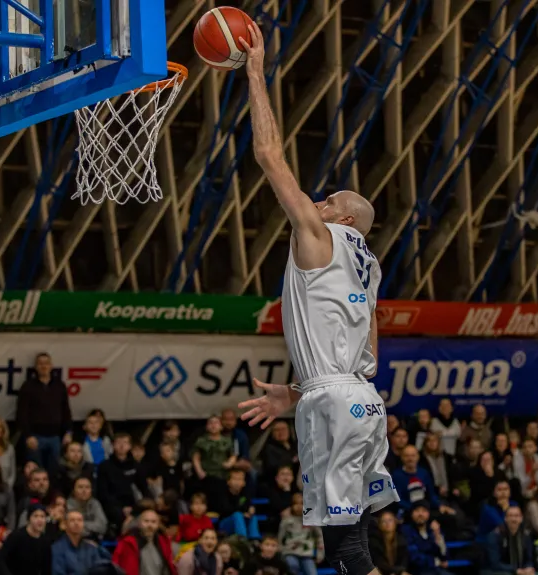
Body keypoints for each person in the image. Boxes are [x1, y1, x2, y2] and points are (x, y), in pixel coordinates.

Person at [235, 19, 395, 575]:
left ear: (345, 218)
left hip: (333, 402)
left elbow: (267, 154)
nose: (318, 201)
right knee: (356, 544)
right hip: (362, 401)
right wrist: (298, 391)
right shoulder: (369, 268)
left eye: (328, 200)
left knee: (345, 551)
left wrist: (255, 72)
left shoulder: (319, 236)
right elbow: (364, 347)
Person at [16, 352, 73, 472]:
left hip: (55, 437)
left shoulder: (59, 385)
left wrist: (68, 431)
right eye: (40, 364)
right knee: (36, 472)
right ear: (36, 367)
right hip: (35, 437)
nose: (44, 366)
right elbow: (22, 413)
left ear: (51, 366)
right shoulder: (28, 386)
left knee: (55, 470)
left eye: (46, 363)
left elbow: (66, 410)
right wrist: (28, 435)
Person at [111, 509, 176, 575]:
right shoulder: (127, 543)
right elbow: (115, 565)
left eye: (153, 522)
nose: (149, 525)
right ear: (139, 523)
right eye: (146, 521)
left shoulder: (164, 542)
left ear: (158, 525)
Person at [0, 504, 53, 575]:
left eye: (42, 516)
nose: (40, 520)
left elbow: (47, 569)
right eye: (35, 516)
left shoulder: (45, 542)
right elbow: (0, 560)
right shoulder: (17, 536)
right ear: (29, 519)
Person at [51, 510, 112, 575]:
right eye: (72, 520)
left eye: (80, 520)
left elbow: (102, 566)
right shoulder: (57, 548)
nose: (76, 523)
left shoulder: (90, 547)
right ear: (65, 524)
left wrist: (97, 547)